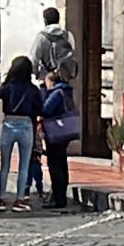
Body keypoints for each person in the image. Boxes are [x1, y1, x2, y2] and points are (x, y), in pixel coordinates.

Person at [0, 56, 42, 212]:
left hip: (9, 123)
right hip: (26, 124)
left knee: (4, 165)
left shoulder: (7, 86)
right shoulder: (32, 89)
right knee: (23, 165)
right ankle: (19, 200)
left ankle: (2, 199)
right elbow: (39, 108)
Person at [41, 71, 75, 209]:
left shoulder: (56, 93)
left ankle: (58, 197)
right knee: (62, 163)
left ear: (51, 81)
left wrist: (44, 93)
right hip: (64, 132)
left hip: (55, 132)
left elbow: (46, 109)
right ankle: (61, 196)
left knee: (55, 165)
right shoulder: (66, 91)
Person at [29, 7, 78, 83]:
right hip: (63, 78)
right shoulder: (68, 35)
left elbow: (34, 59)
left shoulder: (41, 37)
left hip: (47, 79)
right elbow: (72, 51)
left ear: (45, 21)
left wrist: (36, 74)